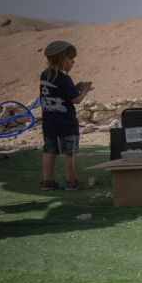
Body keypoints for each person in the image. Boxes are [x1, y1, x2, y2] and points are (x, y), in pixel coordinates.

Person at [38, 40, 92, 191]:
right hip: (66, 124)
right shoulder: (64, 78)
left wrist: (74, 89)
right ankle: (71, 182)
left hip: (49, 123)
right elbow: (76, 100)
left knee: (49, 151)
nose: (73, 62)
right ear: (61, 59)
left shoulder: (45, 75)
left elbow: (59, 93)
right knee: (69, 153)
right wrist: (84, 90)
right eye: (71, 59)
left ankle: (47, 182)